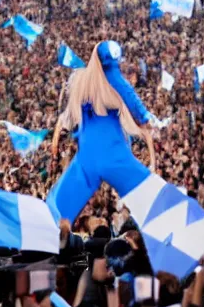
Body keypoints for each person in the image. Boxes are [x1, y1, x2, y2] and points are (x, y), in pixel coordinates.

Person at [47, 41, 156, 224]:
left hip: (93, 155)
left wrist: (55, 147)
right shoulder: (117, 86)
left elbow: (64, 120)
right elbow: (143, 118)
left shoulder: (85, 84)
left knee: (58, 210)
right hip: (110, 154)